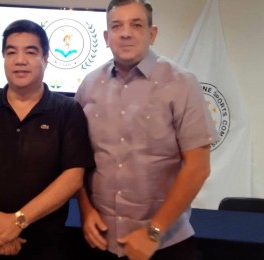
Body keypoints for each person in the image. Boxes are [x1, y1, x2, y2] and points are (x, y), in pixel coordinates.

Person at [74, 0, 219, 259]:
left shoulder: (182, 83)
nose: (126, 32)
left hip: (164, 244)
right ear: (106, 37)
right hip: (100, 240)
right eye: (117, 26)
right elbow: (77, 161)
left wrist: (153, 231)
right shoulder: (89, 85)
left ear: (152, 34)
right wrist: (85, 209)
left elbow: (198, 167)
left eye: (136, 24)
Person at [0, 19, 95, 259]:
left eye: (30, 51)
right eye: (11, 52)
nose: (20, 60)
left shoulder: (68, 111)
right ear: (4, 58)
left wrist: (17, 222)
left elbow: (72, 178)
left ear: (45, 58)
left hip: (44, 244)